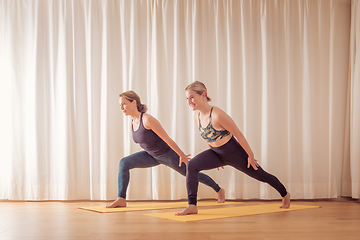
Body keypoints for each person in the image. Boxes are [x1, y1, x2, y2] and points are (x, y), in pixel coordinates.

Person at [176, 81, 290, 215]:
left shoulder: (217, 114)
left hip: (234, 153)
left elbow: (238, 135)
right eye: (187, 98)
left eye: (191, 97)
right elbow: (208, 136)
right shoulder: (197, 117)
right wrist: (211, 156)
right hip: (216, 153)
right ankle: (192, 205)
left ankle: (285, 194)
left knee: (261, 175)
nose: (189, 101)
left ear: (203, 95)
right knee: (191, 165)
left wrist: (250, 156)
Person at [107, 90, 225, 208]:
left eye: (124, 104)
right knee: (124, 162)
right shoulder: (132, 122)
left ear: (133, 102)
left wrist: (181, 155)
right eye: (120, 105)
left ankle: (219, 190)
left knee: (191, 173)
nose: (122, 108)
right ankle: (121, 198)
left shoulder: (147, 119)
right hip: (150, 156)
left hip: (167, 155)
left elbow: (167, 139)